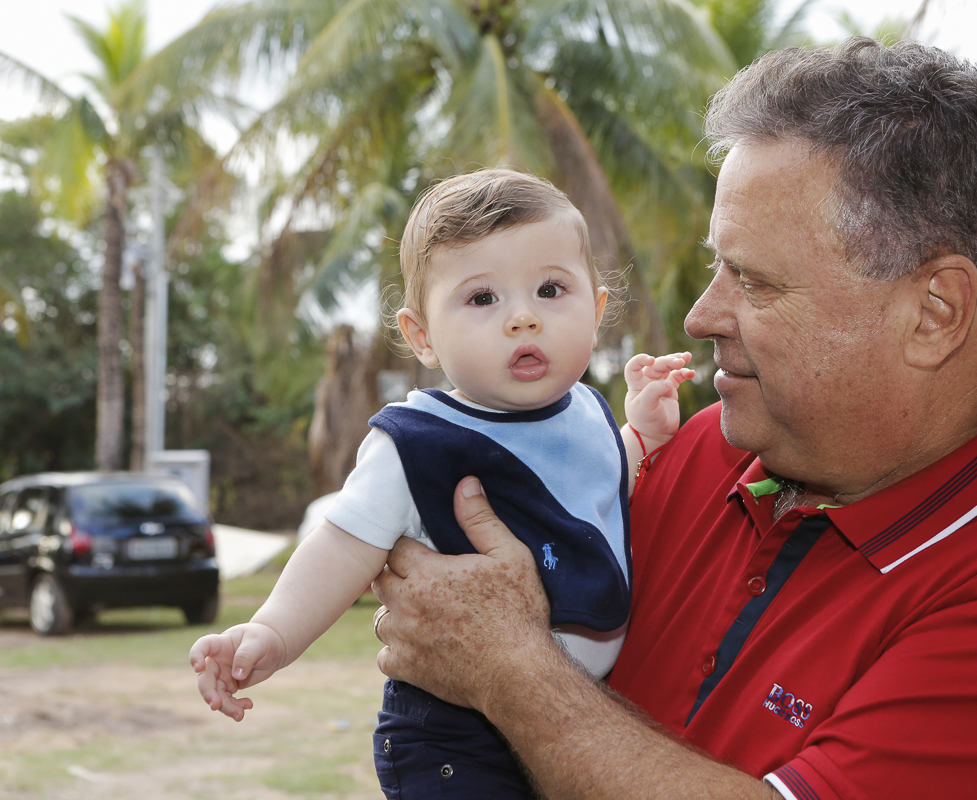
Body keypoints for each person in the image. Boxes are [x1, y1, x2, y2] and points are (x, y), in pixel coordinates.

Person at [369, 39, 977, 800]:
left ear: (935, 312)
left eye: (753, 281)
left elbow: (508, 654)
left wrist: (512, 671)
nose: (700, 314)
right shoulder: (693, 453)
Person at [188, 169, 695, 799]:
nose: (523, 319)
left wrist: (640, 436)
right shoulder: (417, 443)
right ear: (422, 336)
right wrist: (272, 632)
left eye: (550, 289)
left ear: (595, 310)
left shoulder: (589, 412)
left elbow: (590, 498)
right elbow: (343, 545)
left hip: (581, 718)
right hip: (458, 736)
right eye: (483, 299)